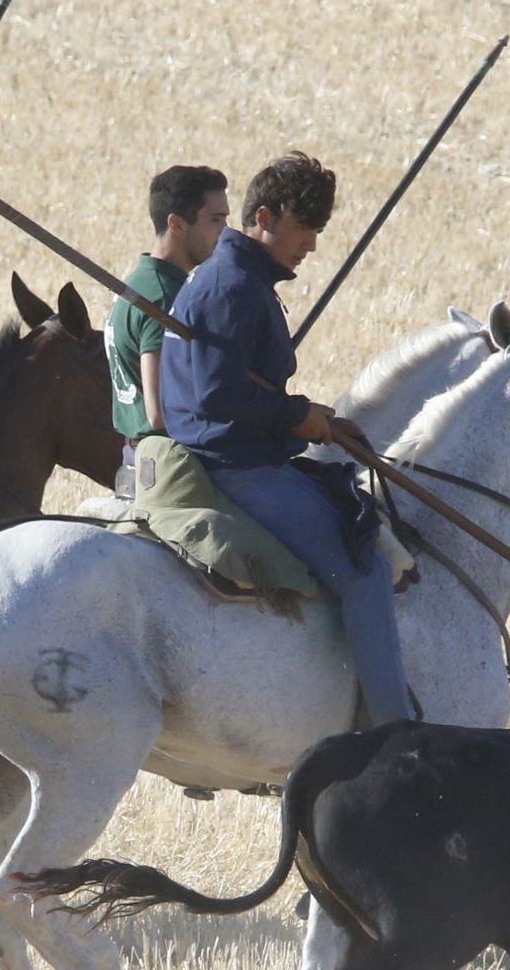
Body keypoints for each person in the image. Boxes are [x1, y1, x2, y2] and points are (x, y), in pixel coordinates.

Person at [159, 150, 415, 727]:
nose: (313, 245)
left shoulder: (236, 280)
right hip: (235, 466)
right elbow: (219, 397)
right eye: (306, 229)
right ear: (266, 218)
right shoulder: (235, 289)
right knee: (365, 567)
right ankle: (395, 727)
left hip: (239, 452)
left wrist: (311, 414)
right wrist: (298, 416)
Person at [105, 165, 227, 451]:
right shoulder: (163, 297)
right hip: (173, 461)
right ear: (177, 224)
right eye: (215, 220)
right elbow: (160, 411)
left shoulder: (138, 282)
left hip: (138, 452)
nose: (225, 232)